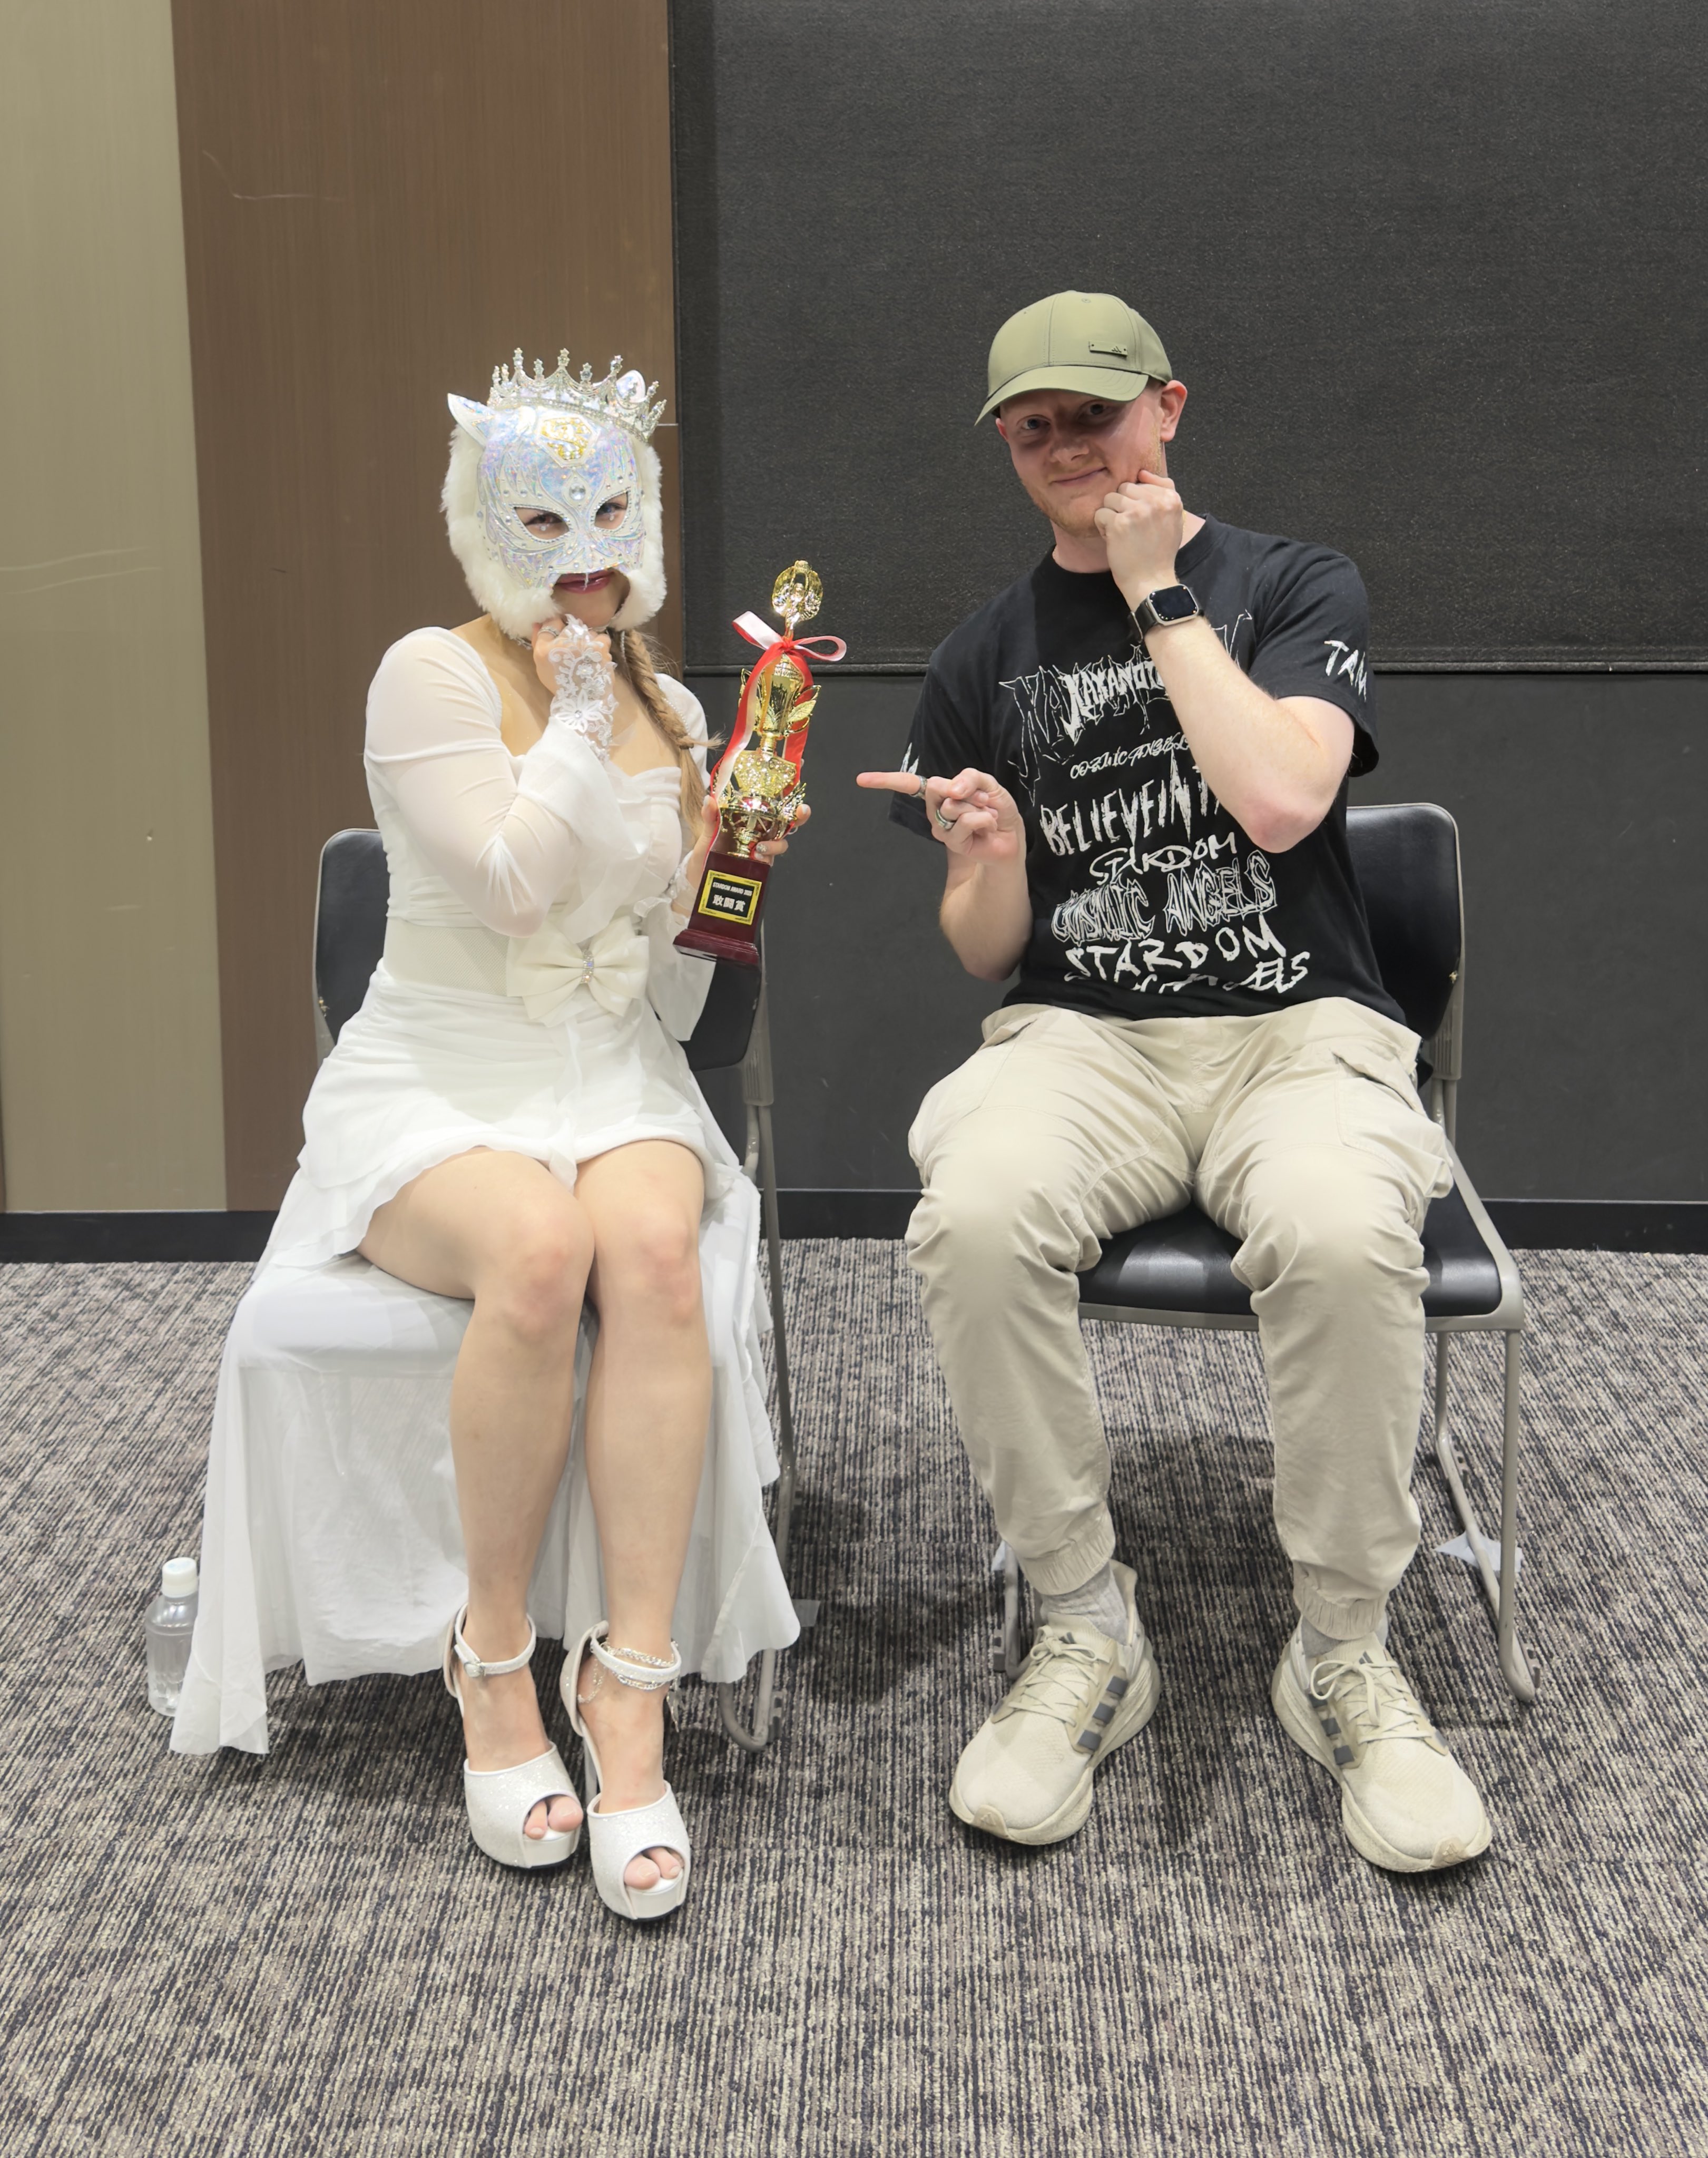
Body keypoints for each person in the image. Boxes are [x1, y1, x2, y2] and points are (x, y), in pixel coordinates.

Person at [859, 291, 1490, 1874]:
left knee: (1342, 1233)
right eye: (1033, 429)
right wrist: (986, 859)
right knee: (974, 1214)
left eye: (1094, 413)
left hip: (1298, 1029)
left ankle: (1342, 1649)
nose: (1066, 448)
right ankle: (1085, 1623)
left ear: (1169, 407)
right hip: (1088, 1041)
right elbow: (986, 952)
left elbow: (1279, 801)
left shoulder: (1292, 583)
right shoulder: (982, 656)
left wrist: (1155, 594)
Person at [173, 351, 801, 1921]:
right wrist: (577, 719)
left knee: (647, 1252)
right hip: (438, 1077)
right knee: (537, 1251)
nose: (581, 552)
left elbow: (667, 968)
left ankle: (631, 1685)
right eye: (542, 520)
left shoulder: (675, 702)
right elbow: (512, 887)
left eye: (608, 516)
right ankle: (495, 1657)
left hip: (610, 1070)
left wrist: (726, 861)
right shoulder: (429, 678)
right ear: (486, 525)